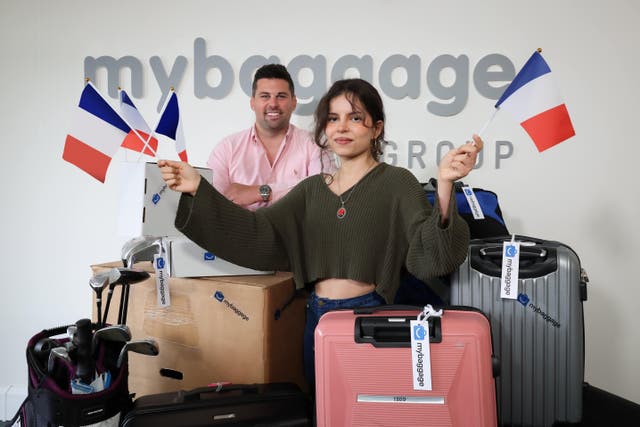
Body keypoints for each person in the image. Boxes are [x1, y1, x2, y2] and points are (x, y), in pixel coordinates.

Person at [158, 78, 483, 387]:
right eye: (333, 118)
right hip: (316, 315)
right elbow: (258, 232)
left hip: (366, 316)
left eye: (355, 117)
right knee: (321, 407)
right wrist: (199, 188)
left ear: (377, 128)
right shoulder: (311, 189)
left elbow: (432, 251)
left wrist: (444, 183)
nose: (341, 127)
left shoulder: (397, 182)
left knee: (362, 410)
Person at [207, 63, 333, 210]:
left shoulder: (315, 144)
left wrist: (260, 192)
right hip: (240, 231)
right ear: (252, 103)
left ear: (293, 102)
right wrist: (299, 188)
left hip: (297, 233)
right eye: (265, 96)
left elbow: (323, 191)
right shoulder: (227, 148)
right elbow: (213, 203)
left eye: (281, 96)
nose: (273, 104)